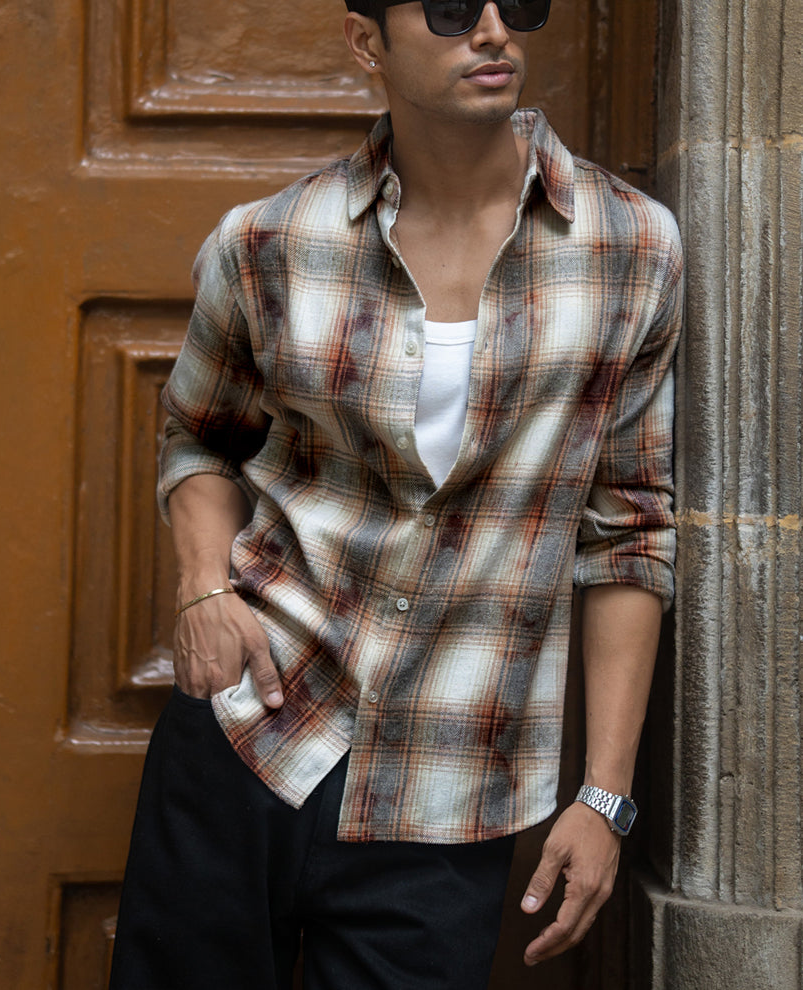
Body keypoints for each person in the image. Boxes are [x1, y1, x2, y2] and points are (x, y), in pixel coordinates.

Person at [109, 1, 683, 987]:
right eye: (453, 8)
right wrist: (203, 587)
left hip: (452, 788)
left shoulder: (632, 247)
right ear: (365, 40)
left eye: (518, 4)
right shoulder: (268, 242)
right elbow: (199, 433)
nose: (494, 32)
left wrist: (605, 796)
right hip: (249, 732)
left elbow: (630, 529)